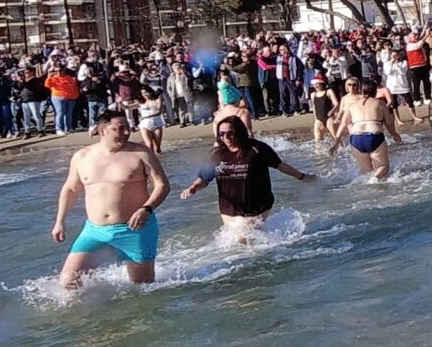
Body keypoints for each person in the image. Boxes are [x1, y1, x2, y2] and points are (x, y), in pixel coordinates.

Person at [51, 109, 172, 289]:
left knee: (142, 289)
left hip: (135, 229)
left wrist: (146, 209)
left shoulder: (141, 153)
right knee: (68, 283)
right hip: (95, 231)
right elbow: (70, 189)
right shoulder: (82, 156)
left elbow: (162, 185)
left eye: (127, 128)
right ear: (102, 130)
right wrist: (59, 221)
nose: (126, 132)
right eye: (119, 129)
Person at [176, 118, 315, 232]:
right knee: (240, 240)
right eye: (221, 134)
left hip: (258, 205)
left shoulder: (257, 149)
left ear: (239, 132)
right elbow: (204, 179)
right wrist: (193, 188)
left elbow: (280, 165)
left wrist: (302, 176)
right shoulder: (216, 154)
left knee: (247, 237)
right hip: (229, 208)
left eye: (230, 133)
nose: (226, 137)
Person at [331, 79, 400, 183]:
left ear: (361, 91)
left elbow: (343, 124)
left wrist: (336, 143)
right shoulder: (380, 103)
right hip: (374, 136)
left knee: (367, 172)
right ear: (375, 91)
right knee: (383, 166)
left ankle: (371, 184)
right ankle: (376, 178)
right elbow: (389, 123)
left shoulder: (351, 106)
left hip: (356, 138)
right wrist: (395, 135)